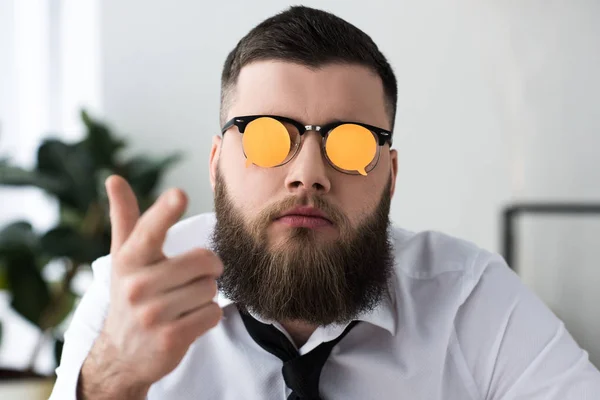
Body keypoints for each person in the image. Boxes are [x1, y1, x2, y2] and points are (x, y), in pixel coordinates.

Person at [49, 5, 600, 400]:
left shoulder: (470, 301)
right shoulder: (134, 293)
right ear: (217, 162)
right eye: (267, 136)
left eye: (352, 143)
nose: (308, 175)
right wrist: (112, 382)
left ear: (390, 175)